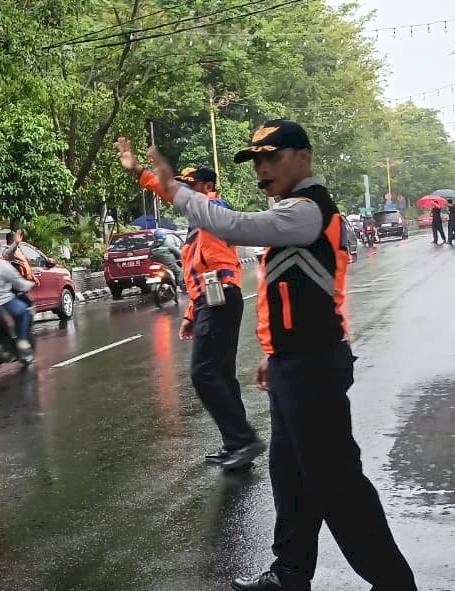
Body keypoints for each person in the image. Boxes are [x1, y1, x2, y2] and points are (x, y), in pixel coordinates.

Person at [117, 120, 417, 591]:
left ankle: (393, 581)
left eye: (270, 157)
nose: (261, 169)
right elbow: (289, 294)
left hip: (313, 367)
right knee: (290, 475)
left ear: (303, 156)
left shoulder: (306, 211)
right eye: (256, 159)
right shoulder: (293, 212)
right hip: (293, 364)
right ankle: (290, 573)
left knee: (336, 483)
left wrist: (165, 182)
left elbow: (230, 223)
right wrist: (273, 355)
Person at [119, 160, 265, 468]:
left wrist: (140, 172)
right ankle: (236, 443)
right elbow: (200, 272)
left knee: (204, 373)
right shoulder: (196, 224)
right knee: (221, 374)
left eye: (191, 185)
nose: (185, 190)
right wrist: (190, 314)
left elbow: (170, 191)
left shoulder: (214, 209)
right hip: (211, 299)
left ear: (208, 187)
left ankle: (243, 440)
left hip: (222, 297)